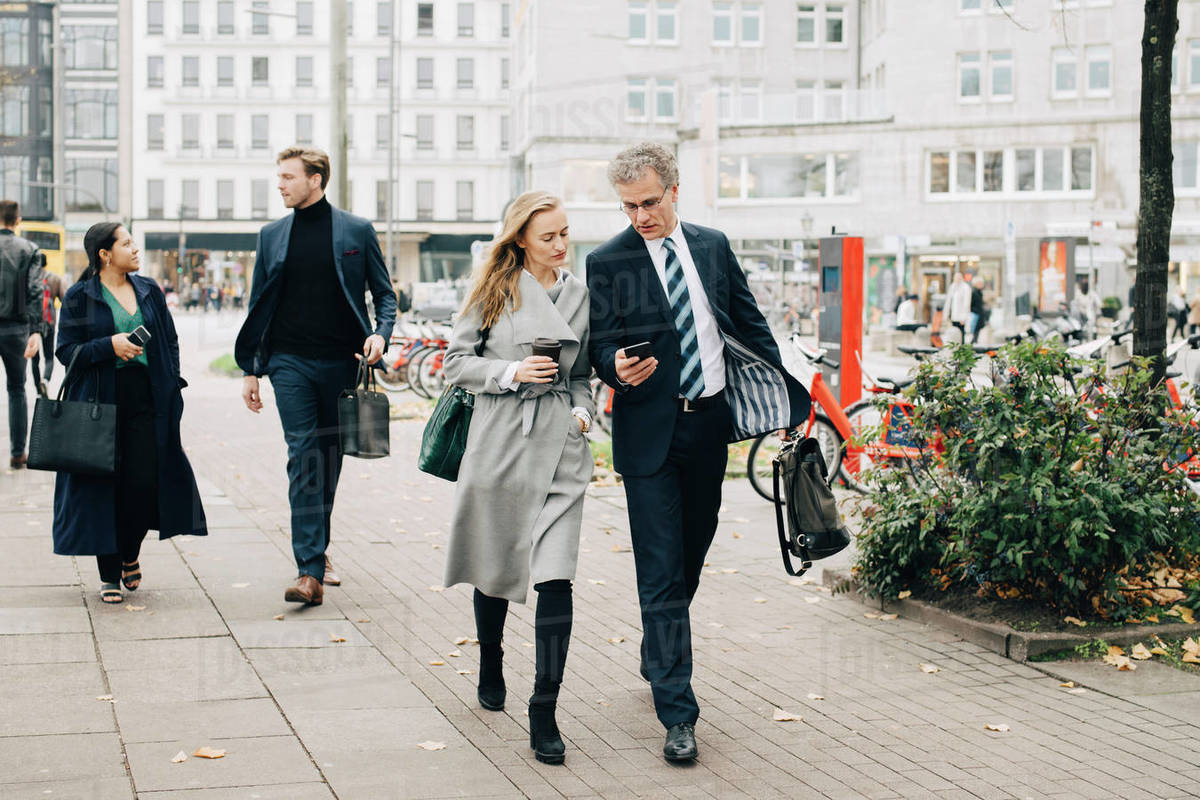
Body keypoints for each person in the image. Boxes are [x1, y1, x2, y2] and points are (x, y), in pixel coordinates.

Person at [587, 143, 810, 763]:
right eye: (629, 206)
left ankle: (658, 647)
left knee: (692, 550)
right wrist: (616, 368)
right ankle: (678, 713)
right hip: (648, 436)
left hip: (708, 428)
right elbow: (599, 345)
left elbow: (748, 321)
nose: (640, 216)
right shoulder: (608, 261)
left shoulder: (711, 245)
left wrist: (792, 400)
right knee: (659, 570)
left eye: (649, 202)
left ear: (675, 190)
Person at [440, 191, 593, 766]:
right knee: (495, 563)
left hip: (560, 450)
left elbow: (583, 374)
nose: (561, 244)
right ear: (521, 238)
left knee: (557, 579)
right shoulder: (492, 288)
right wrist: (510, 370)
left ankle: (545, 707)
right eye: (549, 235)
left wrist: (582, 412)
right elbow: (456, 362)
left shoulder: (579, 294)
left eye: (565, 232)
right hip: (502, 439)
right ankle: (490, 656)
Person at [235, 146, 396, 605]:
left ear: (316, 179)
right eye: (279, 177)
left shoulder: (356, 231)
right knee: (304, 452)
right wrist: (252, 369)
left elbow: (385, 295)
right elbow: (258, 306)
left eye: (288, 177)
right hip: (289, 363)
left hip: (342, 364)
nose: (280, 184)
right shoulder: (271, 236)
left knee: (328, 459)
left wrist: (382, 335)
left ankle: (317, 548)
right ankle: (309, 570)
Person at [52, 222, 208, 603]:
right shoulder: (79, 296)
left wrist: (172, 382)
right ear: (105, 254)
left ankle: (130, 553)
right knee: (103, 486)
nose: (135, 249)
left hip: (146, 399)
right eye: (126, 243)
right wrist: (110, 345)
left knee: (142, 483)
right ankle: (108, 573)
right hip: (98, 401)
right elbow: (66, 351)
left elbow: (169, 339)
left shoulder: (149, 290)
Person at [0, 200, 44, 469]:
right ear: (18, 221)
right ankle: (18, 453)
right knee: (17, 389)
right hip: (17, 328)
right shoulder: (29, 250)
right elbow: (35, 292)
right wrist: (36, 331)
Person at [29, 252, 65, 397]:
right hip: (49, 323)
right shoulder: (55, 279)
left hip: (34, 323)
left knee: (35, 359)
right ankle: (46, 380)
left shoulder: (31, 279)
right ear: (46, 263)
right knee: (49, 356)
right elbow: (65, 300)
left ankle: (39, 389)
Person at [946, 272, 972, 343]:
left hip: (961, 316)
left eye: (958, 278)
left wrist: (964, 317)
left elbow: (966, 303)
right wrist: (947, 314)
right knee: (954, 332)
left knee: (961, 332)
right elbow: (949, 301)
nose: (956, 279)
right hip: (953, 315)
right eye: (955, 277)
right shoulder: (952, 287)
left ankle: (961, 347)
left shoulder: (965, 287)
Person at [968, 276, 989, 344]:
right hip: (975, 314)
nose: (982, 285)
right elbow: (971, 304)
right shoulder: (974, 292)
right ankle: (973, 342)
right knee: (974, 329)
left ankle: (975, 341)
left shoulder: (979, 292)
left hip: (979, 313)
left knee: (977, 330)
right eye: (980, 283)